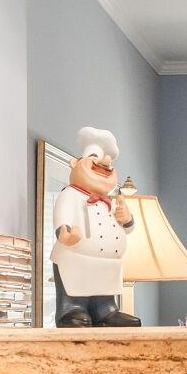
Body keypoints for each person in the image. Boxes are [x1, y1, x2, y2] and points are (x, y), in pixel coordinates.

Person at [50, 126, 140, 327]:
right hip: (75, 259)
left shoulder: (113, 200)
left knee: (104, 292)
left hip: (107, 263)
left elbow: (128, 227)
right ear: (75, 164)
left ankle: (106, 311)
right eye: (95, 157)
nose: (106, 163)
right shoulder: (70, 195)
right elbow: (62, 217)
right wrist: (64, 234)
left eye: (109, 161)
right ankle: (71, 310)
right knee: (74, 290)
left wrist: (127, 219)